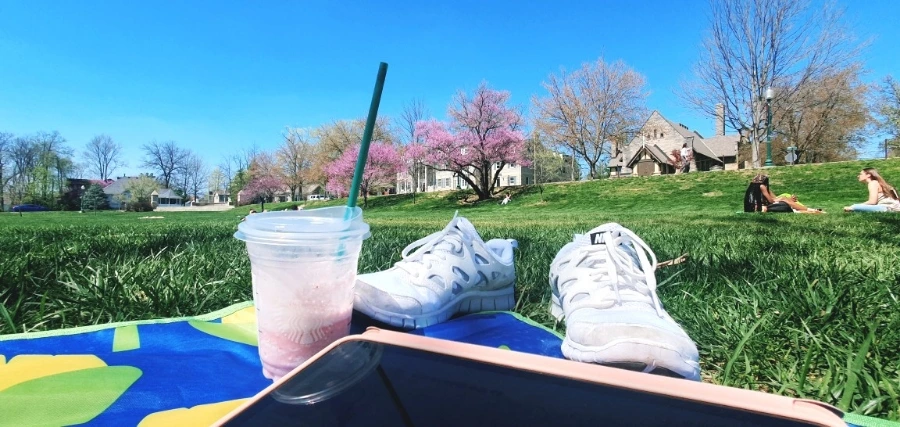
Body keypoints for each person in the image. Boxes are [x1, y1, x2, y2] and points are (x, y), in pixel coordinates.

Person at [743, 174, 821, 213]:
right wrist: (782, 199)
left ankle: (808, 209)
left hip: (751, 208)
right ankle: (809, 209)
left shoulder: (752, 186)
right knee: (784, 198)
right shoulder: (762, 186)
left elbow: (772, 197)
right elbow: (771, 201)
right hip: (758, 208)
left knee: (785, 197)